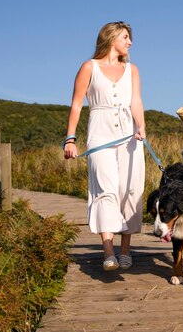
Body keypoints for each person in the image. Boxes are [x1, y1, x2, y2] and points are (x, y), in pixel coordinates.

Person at [63, 21, 146, 271]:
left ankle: (125, 250)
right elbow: (77, 104)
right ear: (111, 38)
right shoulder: (89, 67)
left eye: (130, 37)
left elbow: (136, 100)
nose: (130, 42)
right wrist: (70, 138)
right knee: (105, 190)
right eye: (125, 37)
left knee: (130, 190)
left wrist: (141, 126)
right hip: (100, 132)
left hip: (130, 134)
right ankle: (108, 251)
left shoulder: (132, 70)